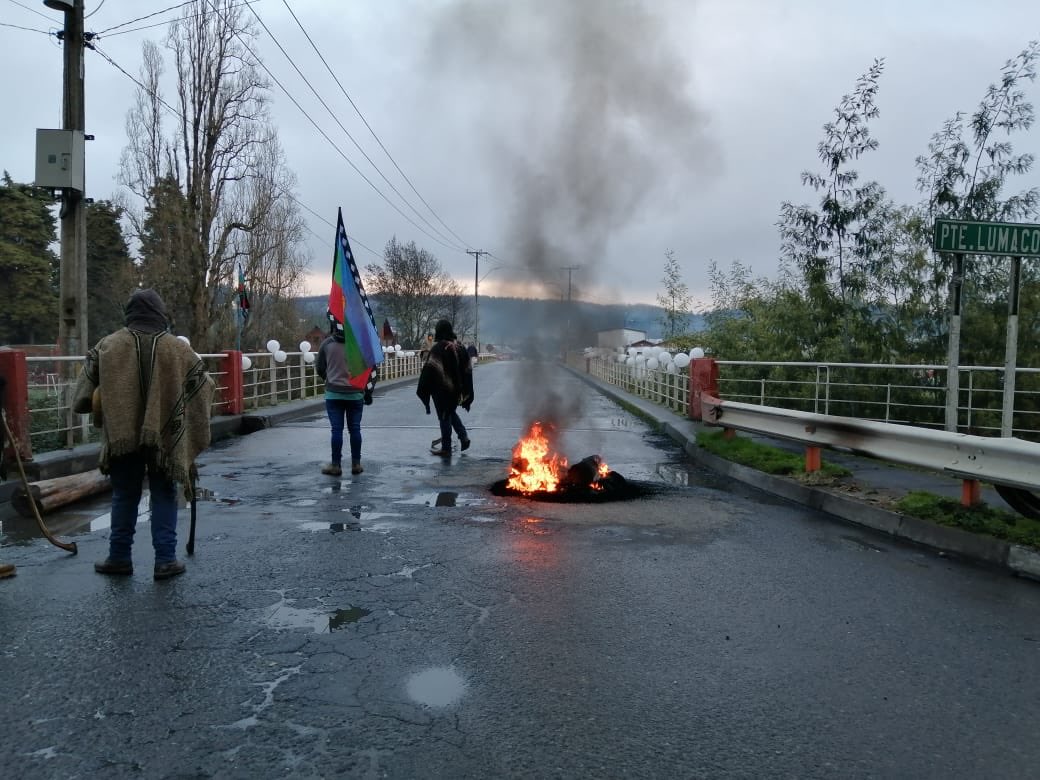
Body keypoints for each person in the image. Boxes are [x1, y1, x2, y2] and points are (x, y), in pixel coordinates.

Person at [72, 289, 214, 580]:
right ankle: (165, 560)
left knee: (124, 495)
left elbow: (82, 395)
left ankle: (119, 557)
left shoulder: (108, 346)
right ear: (160, 314)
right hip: (165, 439)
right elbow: (204, 386)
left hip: (122, 437)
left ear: (130, 313)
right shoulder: (177, 349)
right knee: (164, 493)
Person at [316, 317, 372, 476]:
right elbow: (368, 368)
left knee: (336, 430)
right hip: (355, 394)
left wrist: (330, 377)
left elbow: (320, 367)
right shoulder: (359, 344)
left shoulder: (327, 344)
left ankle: (336, 465)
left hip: (334, 394)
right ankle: (356, 464)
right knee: (355, 429)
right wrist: (367, 390)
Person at [417, 319, 474, 457]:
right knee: (450, 413)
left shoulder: (438, 348)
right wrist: (465, 390)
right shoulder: (460, 348)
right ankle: (463, 436)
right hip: (456, 390)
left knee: (444, 416)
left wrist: (424, 388)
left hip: (441, 390)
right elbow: (467, 370)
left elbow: (430, 369)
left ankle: (446, 448)